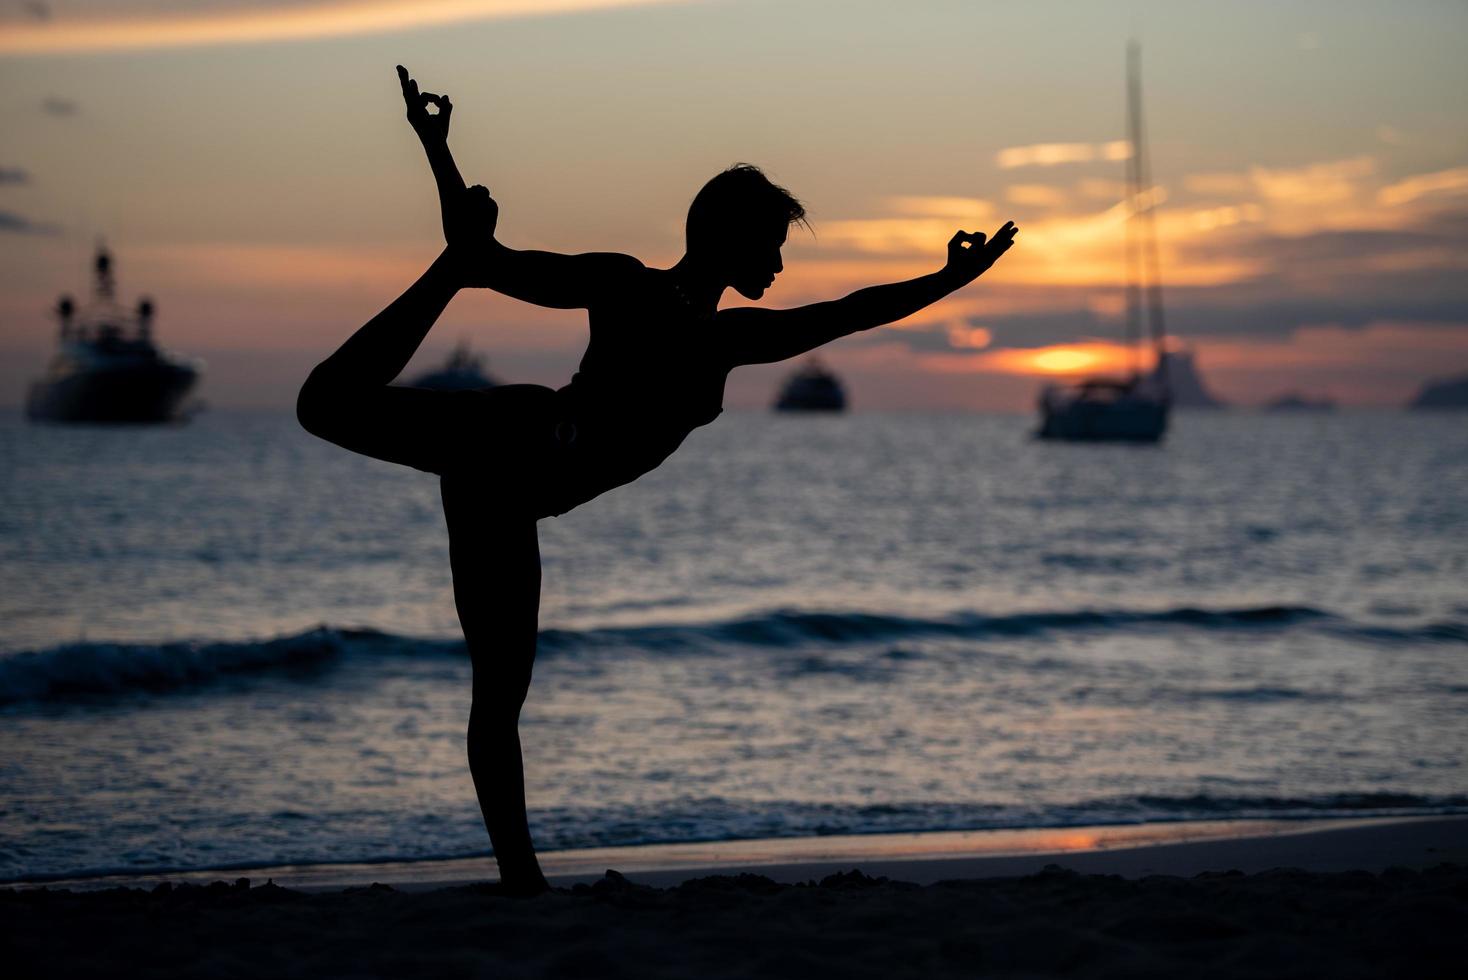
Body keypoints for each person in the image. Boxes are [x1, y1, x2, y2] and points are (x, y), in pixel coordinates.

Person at [296, 66, 1018, 895]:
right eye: (772, 243)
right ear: (729, 237)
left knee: (499, 687)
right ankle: (522, 881)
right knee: (341, 396)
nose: (780, 261)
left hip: (507, 479)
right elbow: (498, 261)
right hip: (512, 443)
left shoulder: (713, 329)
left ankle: (521, 882)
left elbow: (844, 313)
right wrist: (440, 159)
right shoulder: (654, 303)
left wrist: (948, 280)